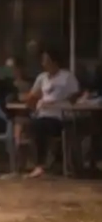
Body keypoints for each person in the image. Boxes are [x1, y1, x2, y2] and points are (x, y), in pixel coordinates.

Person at [25, 46, 81, 178]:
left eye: (45, 60)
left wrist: (57, 102)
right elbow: (32, 96)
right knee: (31, 125)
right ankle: (40, 164)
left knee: (39, 126)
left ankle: (44, 164)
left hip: (60, 116)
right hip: (43, 114)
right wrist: (34, 102)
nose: (43, 63)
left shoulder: (67, 76)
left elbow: (75, 96)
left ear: (54, 62)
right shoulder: (42, 78)